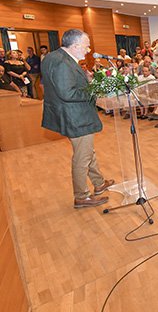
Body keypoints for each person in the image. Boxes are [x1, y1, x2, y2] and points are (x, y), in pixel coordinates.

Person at [41, 29, 114, 208]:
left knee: (87, 152)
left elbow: (63, 85)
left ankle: (99, 183)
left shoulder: (53, 56)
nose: (88, 50)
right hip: (75, 116)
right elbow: (67, 93)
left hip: (68, 113)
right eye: (86, 46)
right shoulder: (62, 63)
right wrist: (93, 88)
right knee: (82, 157)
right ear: (74, 46)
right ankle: (81, 196)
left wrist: (85, 79)